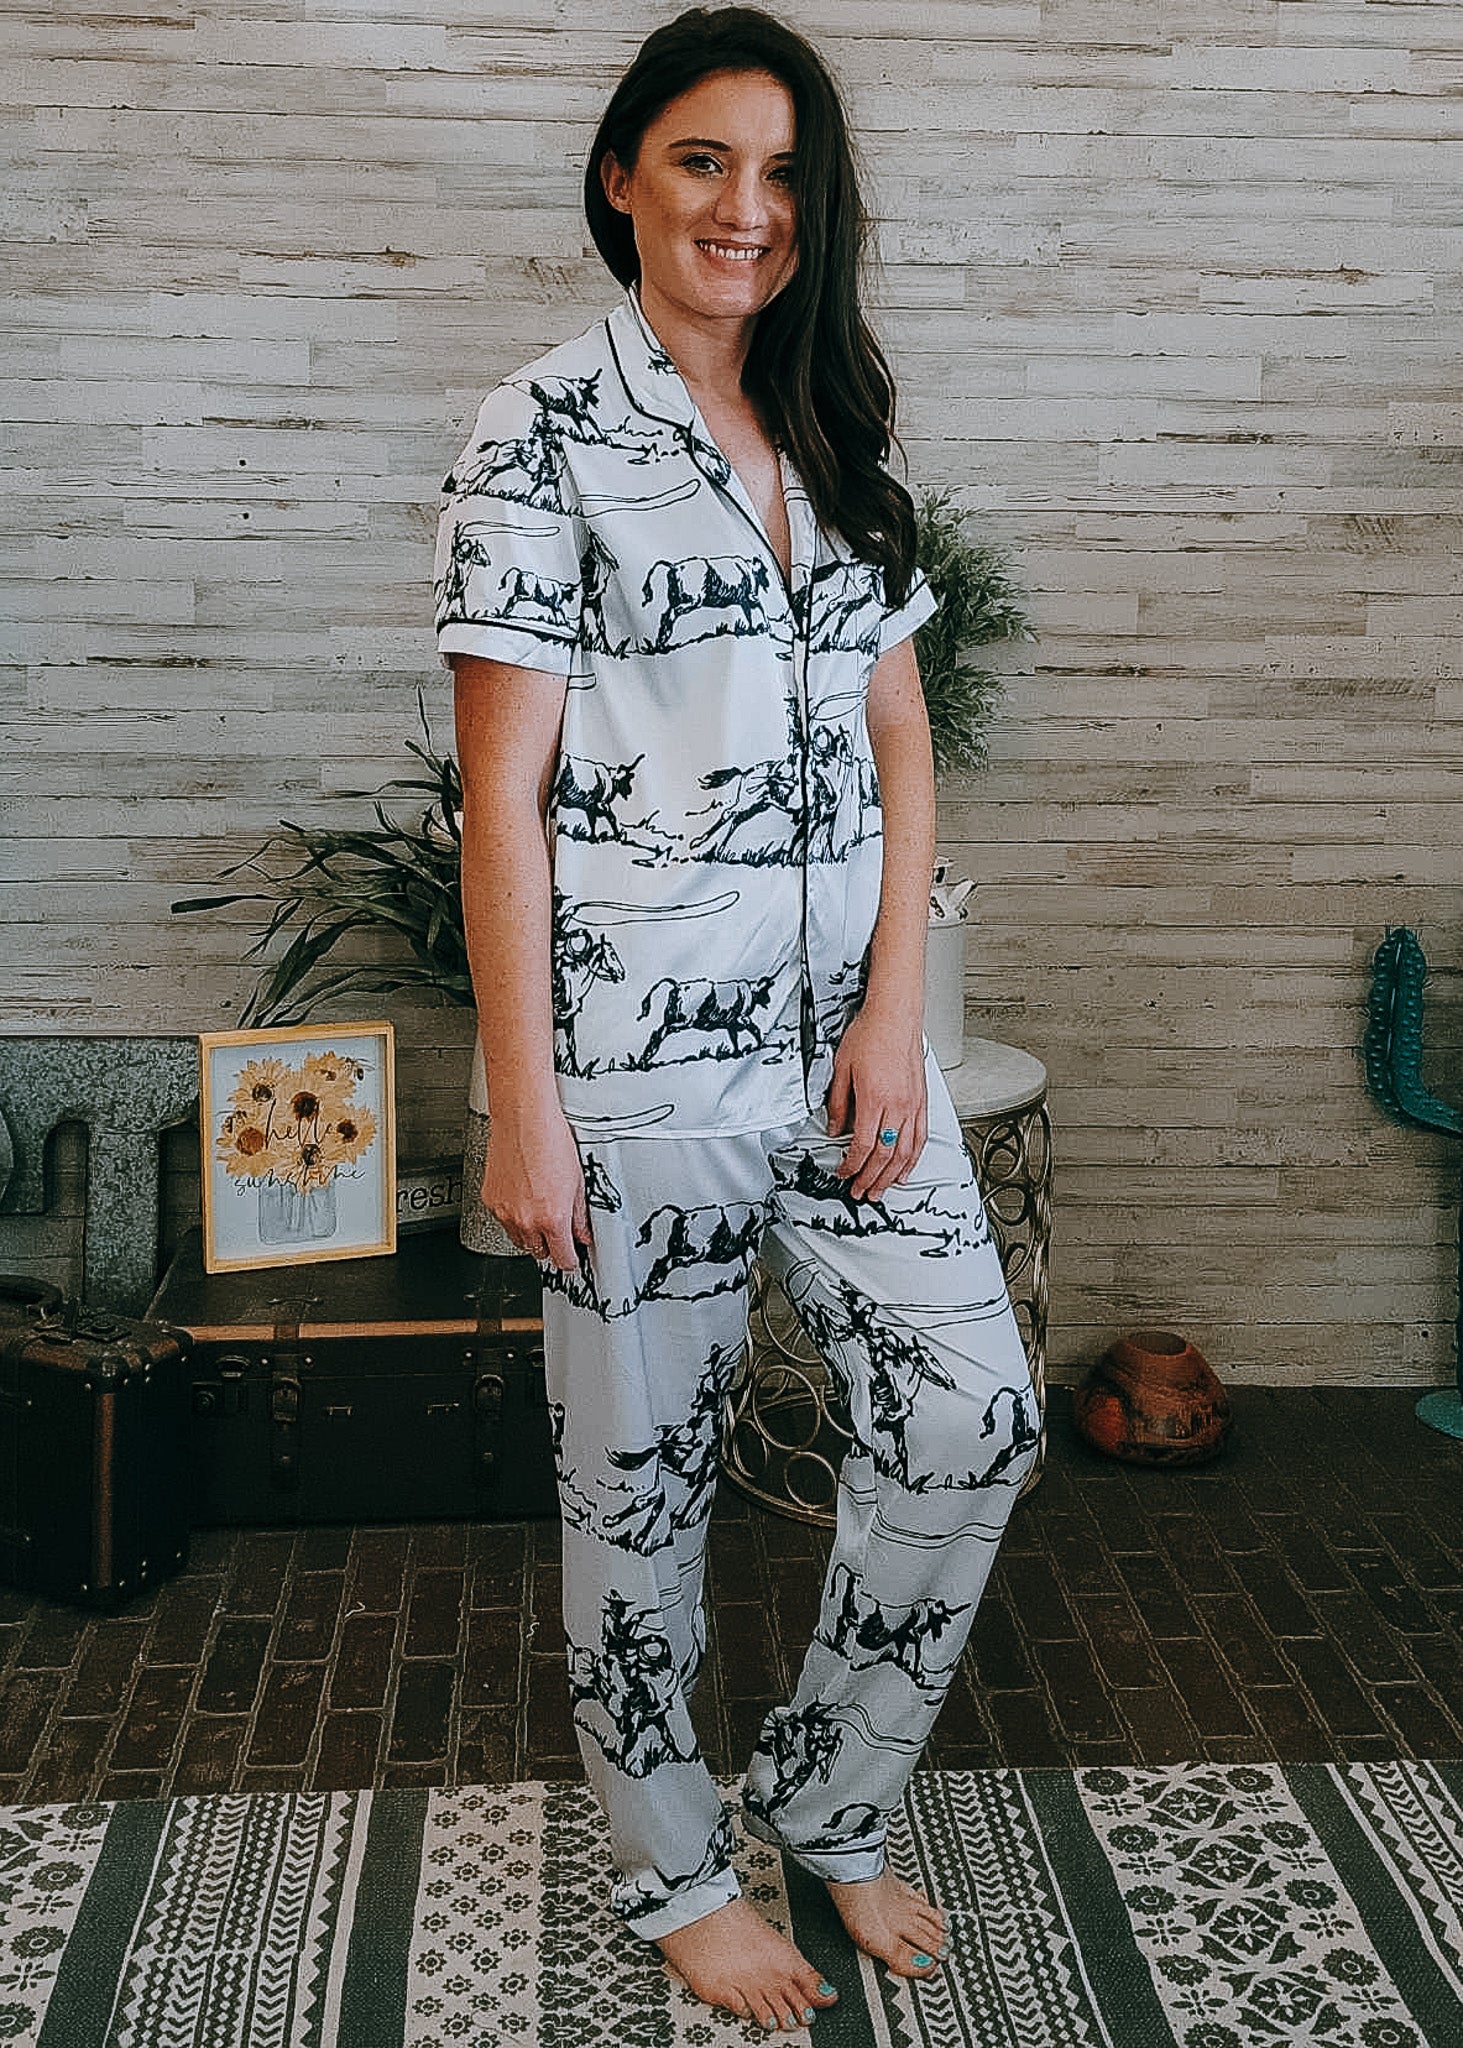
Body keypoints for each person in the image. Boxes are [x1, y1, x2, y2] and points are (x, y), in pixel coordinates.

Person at [434, 7, 1038, 2030]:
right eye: (703, 159)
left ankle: (831, 1798)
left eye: (782, 174)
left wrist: (893, 1012)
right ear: (623, 175)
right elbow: (501, 801)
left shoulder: (837, 429)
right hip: (637, 1069)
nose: (746, 208)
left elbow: (903, 741)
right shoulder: (539, 428)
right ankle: (677, 1867)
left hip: (850, 1054)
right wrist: (523, 1105)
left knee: (970, 1415)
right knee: (644, 1492)